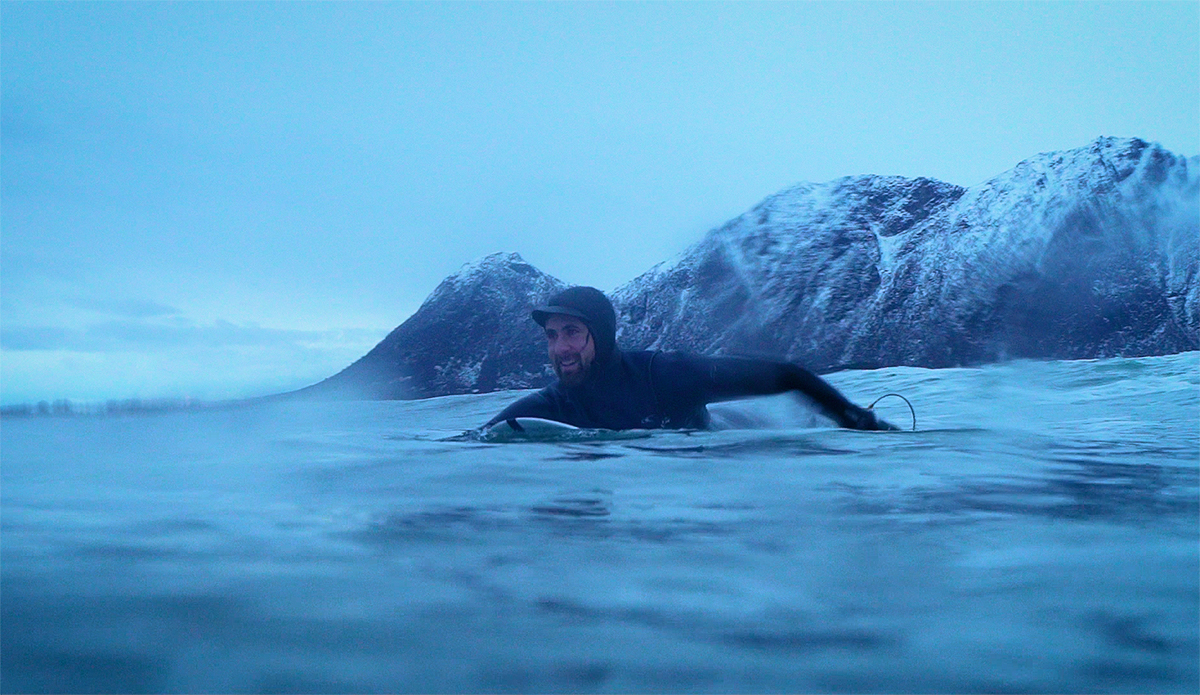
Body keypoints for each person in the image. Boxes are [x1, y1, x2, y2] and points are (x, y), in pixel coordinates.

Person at [484, 286, 898, 431]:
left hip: (726, 431)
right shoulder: (553, 405)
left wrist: (857, 420)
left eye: (572, 333)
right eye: (552, 336)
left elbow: (785, 376)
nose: (560, 349)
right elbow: (477, 441)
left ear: (602, 336)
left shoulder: (663, 375)